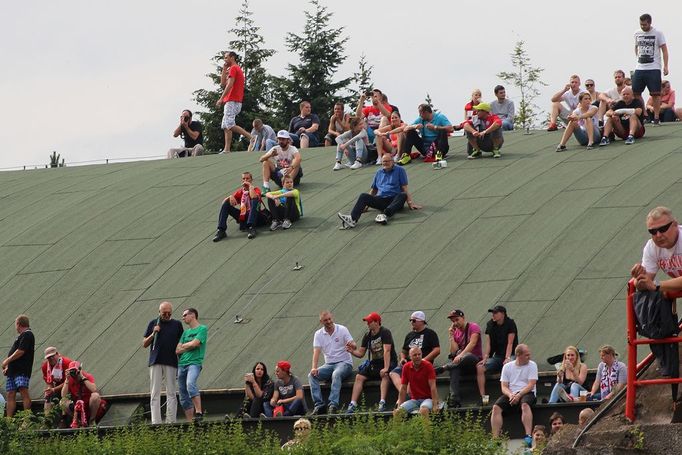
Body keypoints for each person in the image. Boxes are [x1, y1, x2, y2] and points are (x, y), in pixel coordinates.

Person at [337, 153, 421, 229]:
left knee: (403, 194)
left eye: (387, 161)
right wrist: (366, 206)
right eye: (383, 161)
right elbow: (374, 190)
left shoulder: (400, 170)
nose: (385, 163)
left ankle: (384, 215)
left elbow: (404, 188)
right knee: (363, 196)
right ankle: (353, 219)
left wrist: (410, 203)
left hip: (394, 200)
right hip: (381, 200)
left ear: (392, 161)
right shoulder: (379, 172)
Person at [346, 312, 398, 413]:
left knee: (385, 375)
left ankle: (382, 402)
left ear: (377, 322)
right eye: (367, 322)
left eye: (369, 322)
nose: (367, 324)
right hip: (375, 363)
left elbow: (387, 351)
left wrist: (386, 368)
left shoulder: (385, 332)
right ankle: (353, 404)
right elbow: (361, 353)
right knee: (359, 377)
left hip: (388, 362)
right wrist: (352, 351)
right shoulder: (367, 335)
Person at [142, 301, 184, 424]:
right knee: (155, 392)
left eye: (169, 313)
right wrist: (153, 333)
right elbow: (144, 344)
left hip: (171, 361)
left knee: (171, 391)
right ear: (159, 312)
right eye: (164, 313)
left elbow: (181, 343)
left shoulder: (177, 324)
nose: (166, 315)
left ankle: (171, 421)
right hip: (156, 360)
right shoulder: (153, 323)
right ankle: (156, 422)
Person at [490, 344, 538, 448]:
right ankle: (495, 438)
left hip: (527, 392)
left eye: (529, 355)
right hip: (511, 393)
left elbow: (531, 384)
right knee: (496, 408)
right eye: (526, 355)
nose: (529, 357)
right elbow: (504, 386)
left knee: (525, 405)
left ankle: (528, 435)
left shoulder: (532, 365)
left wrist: (519, 394)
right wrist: (511, 395)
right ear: (518, 355)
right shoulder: (507, 367)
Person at [308, 311, 354, 415]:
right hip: (329, 364)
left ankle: (333, 404)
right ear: (321, 322)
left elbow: (352, 343)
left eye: (330, 319)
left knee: (336, 374)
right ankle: (319, 405)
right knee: (311, 375)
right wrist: (314, 368)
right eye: (326, 320)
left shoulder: (342, 329)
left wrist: (352, 346)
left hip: (344, 362)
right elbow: (316, 352)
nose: (329, 322)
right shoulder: (318, 334)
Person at [435, 310, 483, 408]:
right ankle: (454, 399)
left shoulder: (473, 327)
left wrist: (461, 355)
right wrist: (451, 337)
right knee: (454, 368)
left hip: (474, 361)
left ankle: (444, 367)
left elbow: (472, 343)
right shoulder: (456, 332)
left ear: (463, 318)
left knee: (467, 356)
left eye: (457, 320)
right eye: (453, 321)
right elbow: (453, 351)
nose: (455, 323)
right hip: (460, 363)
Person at [389, 311, 440, 394]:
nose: (411, 323)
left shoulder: (430, 333)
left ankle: (407, 394)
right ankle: (405, 393)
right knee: (393, 373)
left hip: (422, 364)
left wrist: (424, 360)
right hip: (409, 363)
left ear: (421, 321)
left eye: (413, 321)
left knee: (410, 376)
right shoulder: (409, 335)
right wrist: (402, 358)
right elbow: (403, 351)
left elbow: (437, 350)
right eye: (411, 321)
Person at [632, 207, 682, 292]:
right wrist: (639, 278)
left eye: (663, 229)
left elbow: (653, 285)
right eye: (653, 231)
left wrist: (657, 285)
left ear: (675, 225)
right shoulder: (652, 247)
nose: (658, 235)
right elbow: (644, 284)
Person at [632, 13, 669, 126]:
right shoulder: (637, 33)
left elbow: (664, 50)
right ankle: (644, 114)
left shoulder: (658, 33)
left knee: (655, 94)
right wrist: (637, 57)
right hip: (640, 67)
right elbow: (636, 46)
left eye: (645, 24)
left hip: (653, 67)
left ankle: (656, 118)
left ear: (650, 23)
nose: (643, 26)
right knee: (636, 92)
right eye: (641, 24)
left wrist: (666, 66)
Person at [476, 305, 519, 401]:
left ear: (502, 314)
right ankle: (483, 397)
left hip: (510, 354)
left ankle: (511, 394)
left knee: (509, 365)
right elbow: (489, 343)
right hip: (498, 356)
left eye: (496, 313)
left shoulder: (510, 323)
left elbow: (510, 342)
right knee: (480, 367)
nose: (493, 315)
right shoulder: (490, 324)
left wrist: (507, 358)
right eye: (493, 313)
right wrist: (486, 357)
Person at [212, 171, 268, 242]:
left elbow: (253, 196)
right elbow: (224, 204)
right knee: (226, 203)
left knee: (254, 200)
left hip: (257, 217)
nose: (245, 180)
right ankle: (221, 230)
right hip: (244, 216)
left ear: (251, 180)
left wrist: (250, 187)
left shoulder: (256, 189)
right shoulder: (240, 192)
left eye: (247, 178)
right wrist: (230, 197)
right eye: (244, 179)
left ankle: (251, 227)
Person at [175, 307, 207, 421]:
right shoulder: (185, 333)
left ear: (192, 315)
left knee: (190, 384)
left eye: (185, 315)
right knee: (183, 393)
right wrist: (190, 345)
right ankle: (190, 420)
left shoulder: (202, 328)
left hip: (194, 362)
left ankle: (198, 412)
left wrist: (187, 345)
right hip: (182, 364)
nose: (183, 318)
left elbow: (196, 343)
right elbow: (177, 350)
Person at [217, 51, 251, 154]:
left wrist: (221, 98)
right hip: (232, 100)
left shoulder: (234, 68)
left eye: (226, 57)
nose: (225, 59)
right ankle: (227, 149)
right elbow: (222, 84)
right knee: (225, 125)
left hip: (233, 100)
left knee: (230, 124)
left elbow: (229, 85)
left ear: (232, 57)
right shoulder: (232, 69)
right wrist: (223, 69)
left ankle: (251, 137)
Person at [2, 314, 35, 417]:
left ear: (18, 324)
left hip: (21, 370)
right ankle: (9, 420)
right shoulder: (21, 336)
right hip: (13, 371)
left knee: (23, 390)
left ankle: (26, 418)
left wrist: (7, 360)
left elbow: (20, 351)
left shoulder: (27, 334)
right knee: (10, 394)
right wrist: (8, 367)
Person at [393, 347, 440, 418]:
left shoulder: (428, 366)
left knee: (424, 410)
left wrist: (435, 404)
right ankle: (398, 429)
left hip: (428, 398)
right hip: (414, 399)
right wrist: (399, 404)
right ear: (410, 357)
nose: (417, 356)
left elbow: (433, 387)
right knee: (397, 412)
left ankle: (427, 429)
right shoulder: (406, 367)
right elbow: (403, 388)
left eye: (419, 354)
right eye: (415, 355)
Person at [60, 361, 103, 426]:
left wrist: (82, 377)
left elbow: (94, 389)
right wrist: (67, 380)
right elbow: (63, 395)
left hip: (89, 405)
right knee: (62, 402)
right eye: (71, 371)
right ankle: (79, 421)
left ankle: (92, 421)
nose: (74, 373)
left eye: (75, 370)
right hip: (77, 407)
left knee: (95, 396)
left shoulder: (87, 376)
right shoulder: (70, 379)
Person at [41, 347, 74, 414]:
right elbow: (49, 382)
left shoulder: (67, 363)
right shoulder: (45, 366)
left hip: (69, 386)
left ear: (57, 354)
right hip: (57, 386)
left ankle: (64, 418)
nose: (51, 359)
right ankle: (47, 419)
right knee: (48, 398)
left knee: (64, 398)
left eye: (52, 356)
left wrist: (54, 389)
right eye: (49, 357)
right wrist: (49, 390)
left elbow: (68, 381)